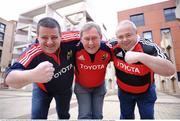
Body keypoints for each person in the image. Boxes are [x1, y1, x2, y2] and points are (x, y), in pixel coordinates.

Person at [5, 17, 80, 119]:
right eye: (44, 37)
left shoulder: (71, 39)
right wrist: (32, 75)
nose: (49, 42)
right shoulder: (33, 52)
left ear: (60, 36)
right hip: (42, 90)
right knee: (37, 117)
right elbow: (9, 78)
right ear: (38, 37)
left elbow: (92, 37)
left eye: (54, 37)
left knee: (64, 116)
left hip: (65, 90)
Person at [111, 20, 175, 119]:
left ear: (136, 34)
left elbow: (170, 70)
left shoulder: (149, 47)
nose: (124, 39)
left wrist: (141, 56)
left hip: (146, 92)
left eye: (128, 35)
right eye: (120, 37)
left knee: (147, 117)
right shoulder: (113, 45)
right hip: (124, 92)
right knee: (126, 117)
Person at [74, 22, 111, 119]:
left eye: (94, 38)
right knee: (84, 115)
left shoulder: (108, 49)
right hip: (82, 87)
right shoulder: (75, 49)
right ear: (81, 39)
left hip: (99, 87)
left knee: (98, 115)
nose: (91, 43)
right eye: (86, 39)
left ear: (101, 37)